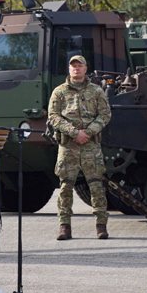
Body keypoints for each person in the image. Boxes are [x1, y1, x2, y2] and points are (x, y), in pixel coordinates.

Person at [47, 54, 112, 240]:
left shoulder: (96, 90)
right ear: (69, 69)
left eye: (79, 66)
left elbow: (105, 114)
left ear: (85, 69)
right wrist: (75, 133)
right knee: (66, 186)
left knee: (96, 186)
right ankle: (64, 226)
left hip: (91, 145)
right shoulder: (59, 92)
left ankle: (101, 225)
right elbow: (54, 116)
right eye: (73, 66)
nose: (76, 68)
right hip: (68, 146)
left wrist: (89, 132)